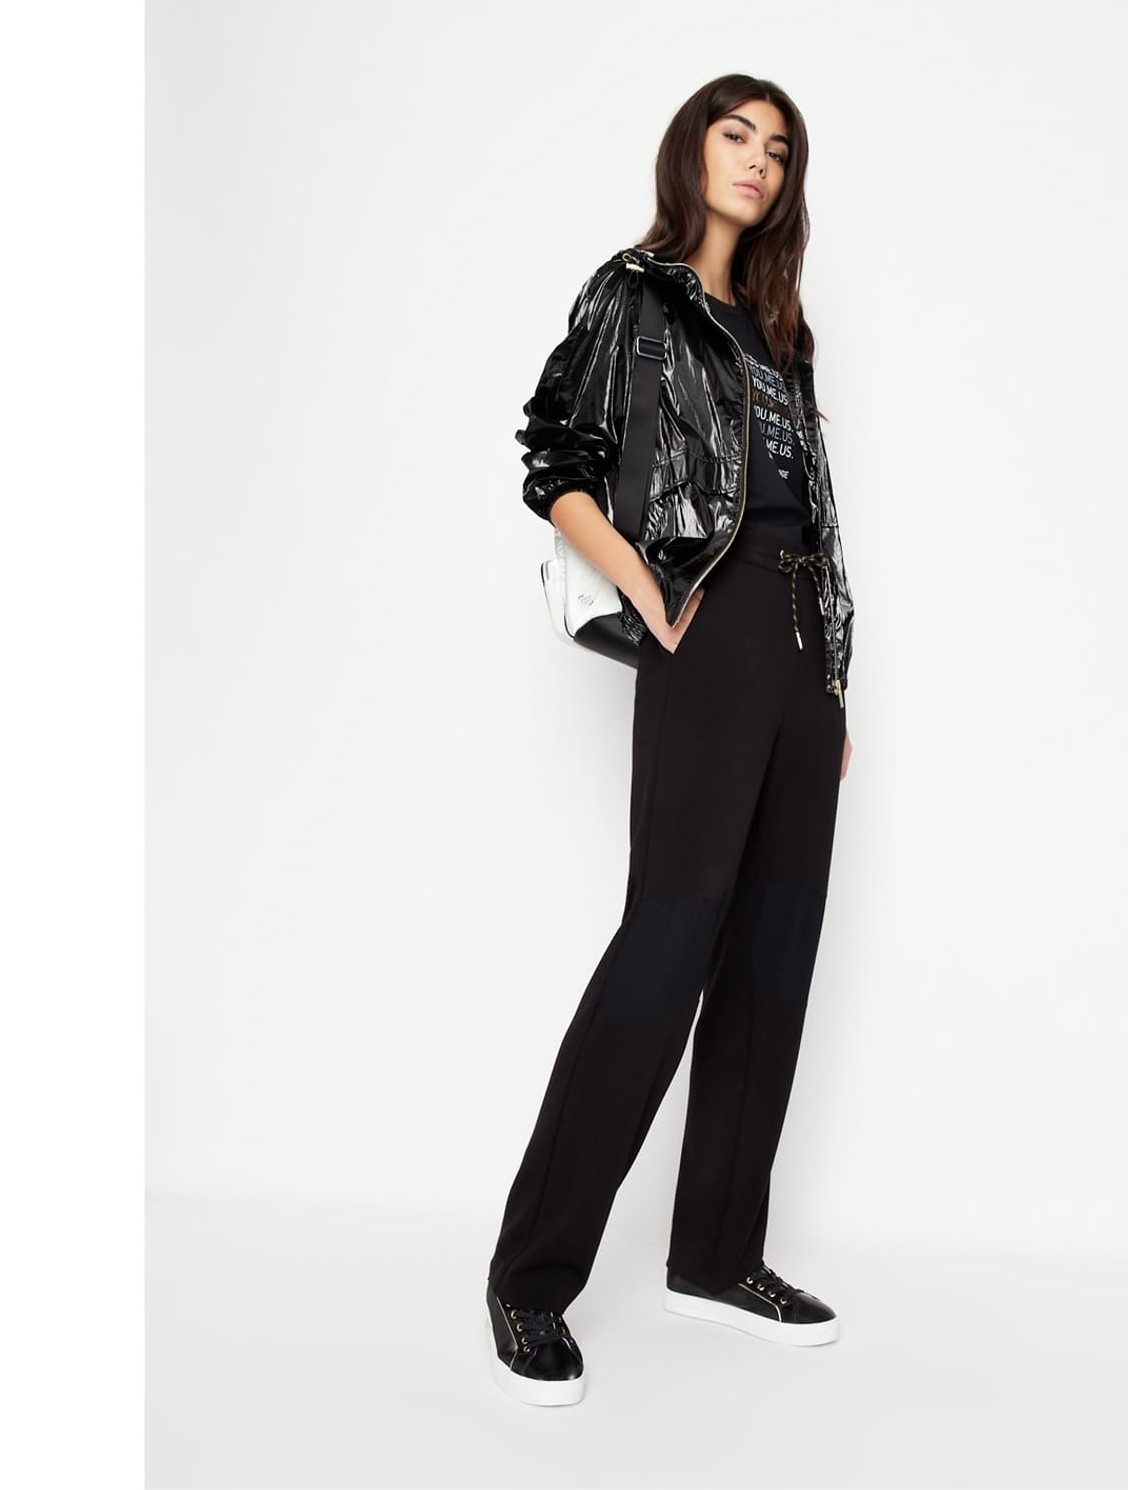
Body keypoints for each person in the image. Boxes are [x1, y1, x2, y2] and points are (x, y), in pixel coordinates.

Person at [485, 73, 857, 1407]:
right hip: (709, 627)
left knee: (774, 949)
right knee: (668, 941)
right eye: (734, 133)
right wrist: (653, 595)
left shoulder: (783, 332)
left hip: (802, 654)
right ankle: (530, 1281)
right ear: (690, 148)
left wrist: (835, 686)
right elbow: (555, 459)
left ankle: (716, 1254)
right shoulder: (635, 294)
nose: (755, 160)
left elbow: (815, 514)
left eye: (778, 148)